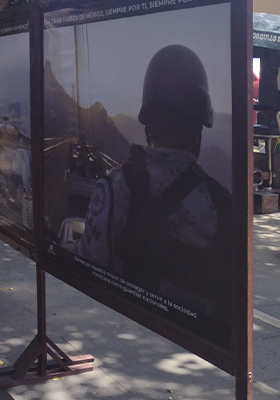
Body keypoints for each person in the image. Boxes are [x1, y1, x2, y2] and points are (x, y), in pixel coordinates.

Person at [76, 44, 232, 346]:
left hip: (125, 334)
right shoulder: (221, 203)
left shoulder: (116, 187)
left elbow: (89, 265)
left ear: (148, 127)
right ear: (199, 127)